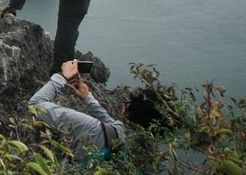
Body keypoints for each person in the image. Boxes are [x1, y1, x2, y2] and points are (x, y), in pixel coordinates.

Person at [29, 59, 164, 163]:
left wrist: (62, 77)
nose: (124, 105)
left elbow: (36, 104)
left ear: (129, 113)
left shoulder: (90, 127)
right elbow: (112, 130)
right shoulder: (152, 155)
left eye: (128, 103)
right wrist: (87, 97)